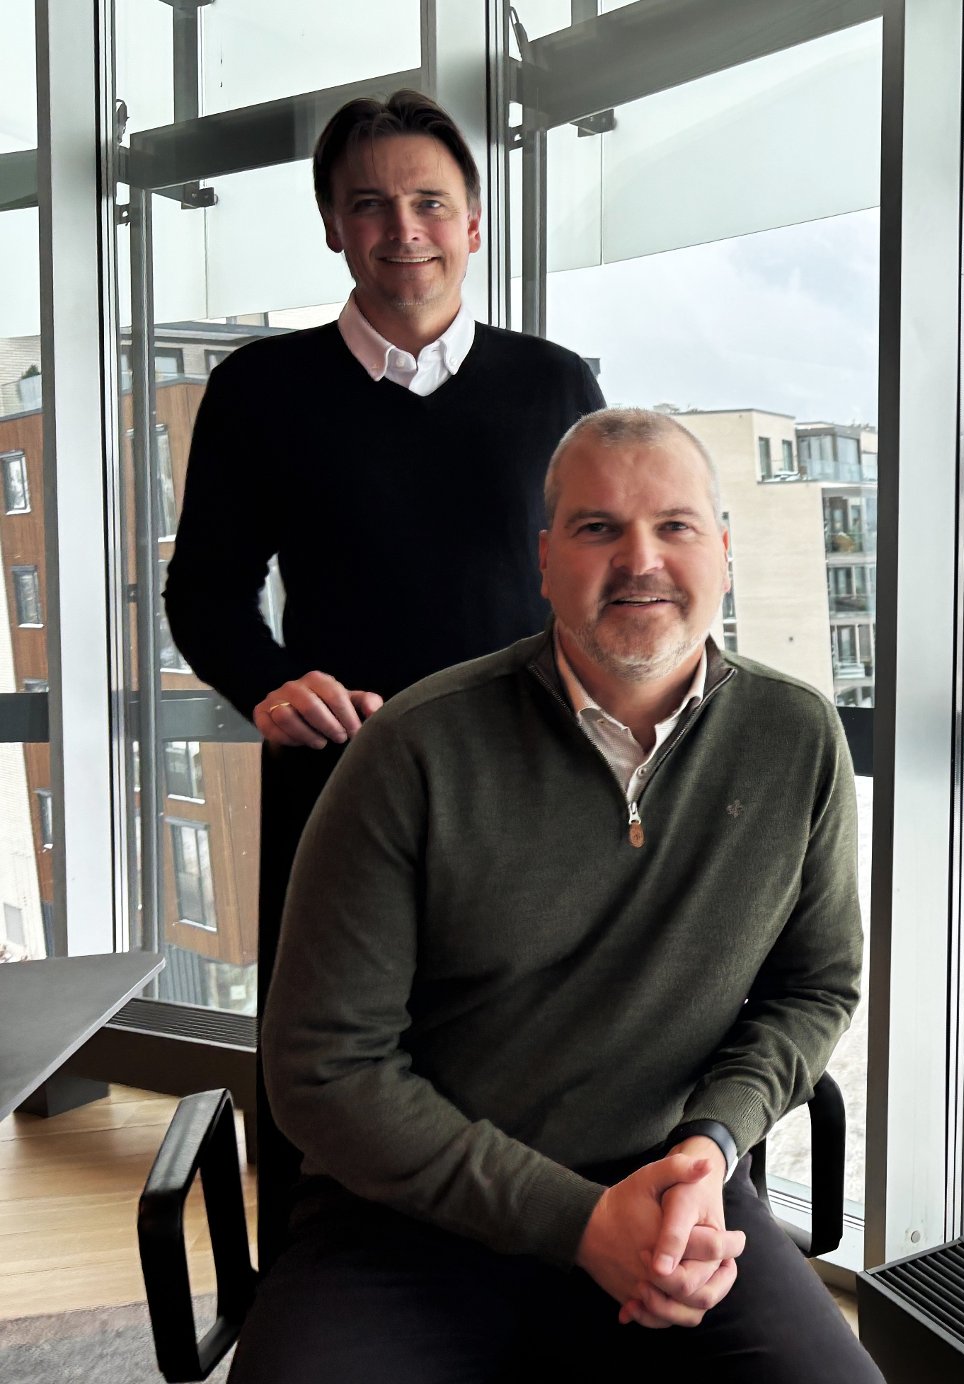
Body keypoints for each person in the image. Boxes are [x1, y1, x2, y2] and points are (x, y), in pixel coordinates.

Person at [231, 409, 881, 1382]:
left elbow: (814, 988)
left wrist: (712, 1144)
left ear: (723, 551)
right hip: (408, 1218)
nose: (640, 560)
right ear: (544, 560)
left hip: (674, 1193)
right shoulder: (413, 749)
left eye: (674, 526)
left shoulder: (796, 737)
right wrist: (578, 1223)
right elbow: (323, 1067)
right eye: (597, 528)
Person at [161, 89, 604, 1246]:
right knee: (326, 1066)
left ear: (473, 223)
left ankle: (534, 1261)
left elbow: (599, 584)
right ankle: (316, 1286)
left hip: (529, 789)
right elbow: (203, 591)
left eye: (429, 202)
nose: (402, 228)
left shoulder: (557, 386)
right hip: (340, 781)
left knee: (528, 1056)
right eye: (369, 204)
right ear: (331, 227)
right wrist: (267, 682)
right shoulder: (260, 389)